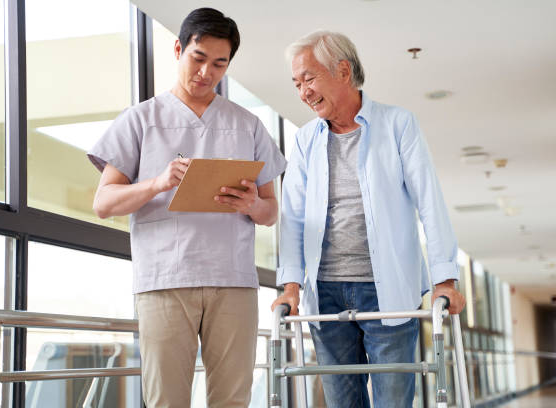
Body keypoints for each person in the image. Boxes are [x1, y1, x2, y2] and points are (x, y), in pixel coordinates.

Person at [88, 8, 286, 407]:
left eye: (219, 64)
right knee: (166, 400)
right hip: (164, 280)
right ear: (178, 49)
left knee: (232, 400)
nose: (206, 72)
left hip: (232, 281)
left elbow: (271, 212)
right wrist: (158, 182)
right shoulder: (140, 120)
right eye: (198, 58)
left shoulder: (247, 125)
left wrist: (252, 204)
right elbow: (103, 203)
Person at [271, 31, 465, 408]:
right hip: (325, 293)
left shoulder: (397, 125)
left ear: (343, 71)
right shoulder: (305, 139)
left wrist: (445, 280)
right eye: (297, 84)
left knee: (393, 401)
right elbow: (293, 216)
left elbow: (430, 202)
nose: (303, 93)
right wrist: (291, 287)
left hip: (386, 290)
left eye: (309, 79)